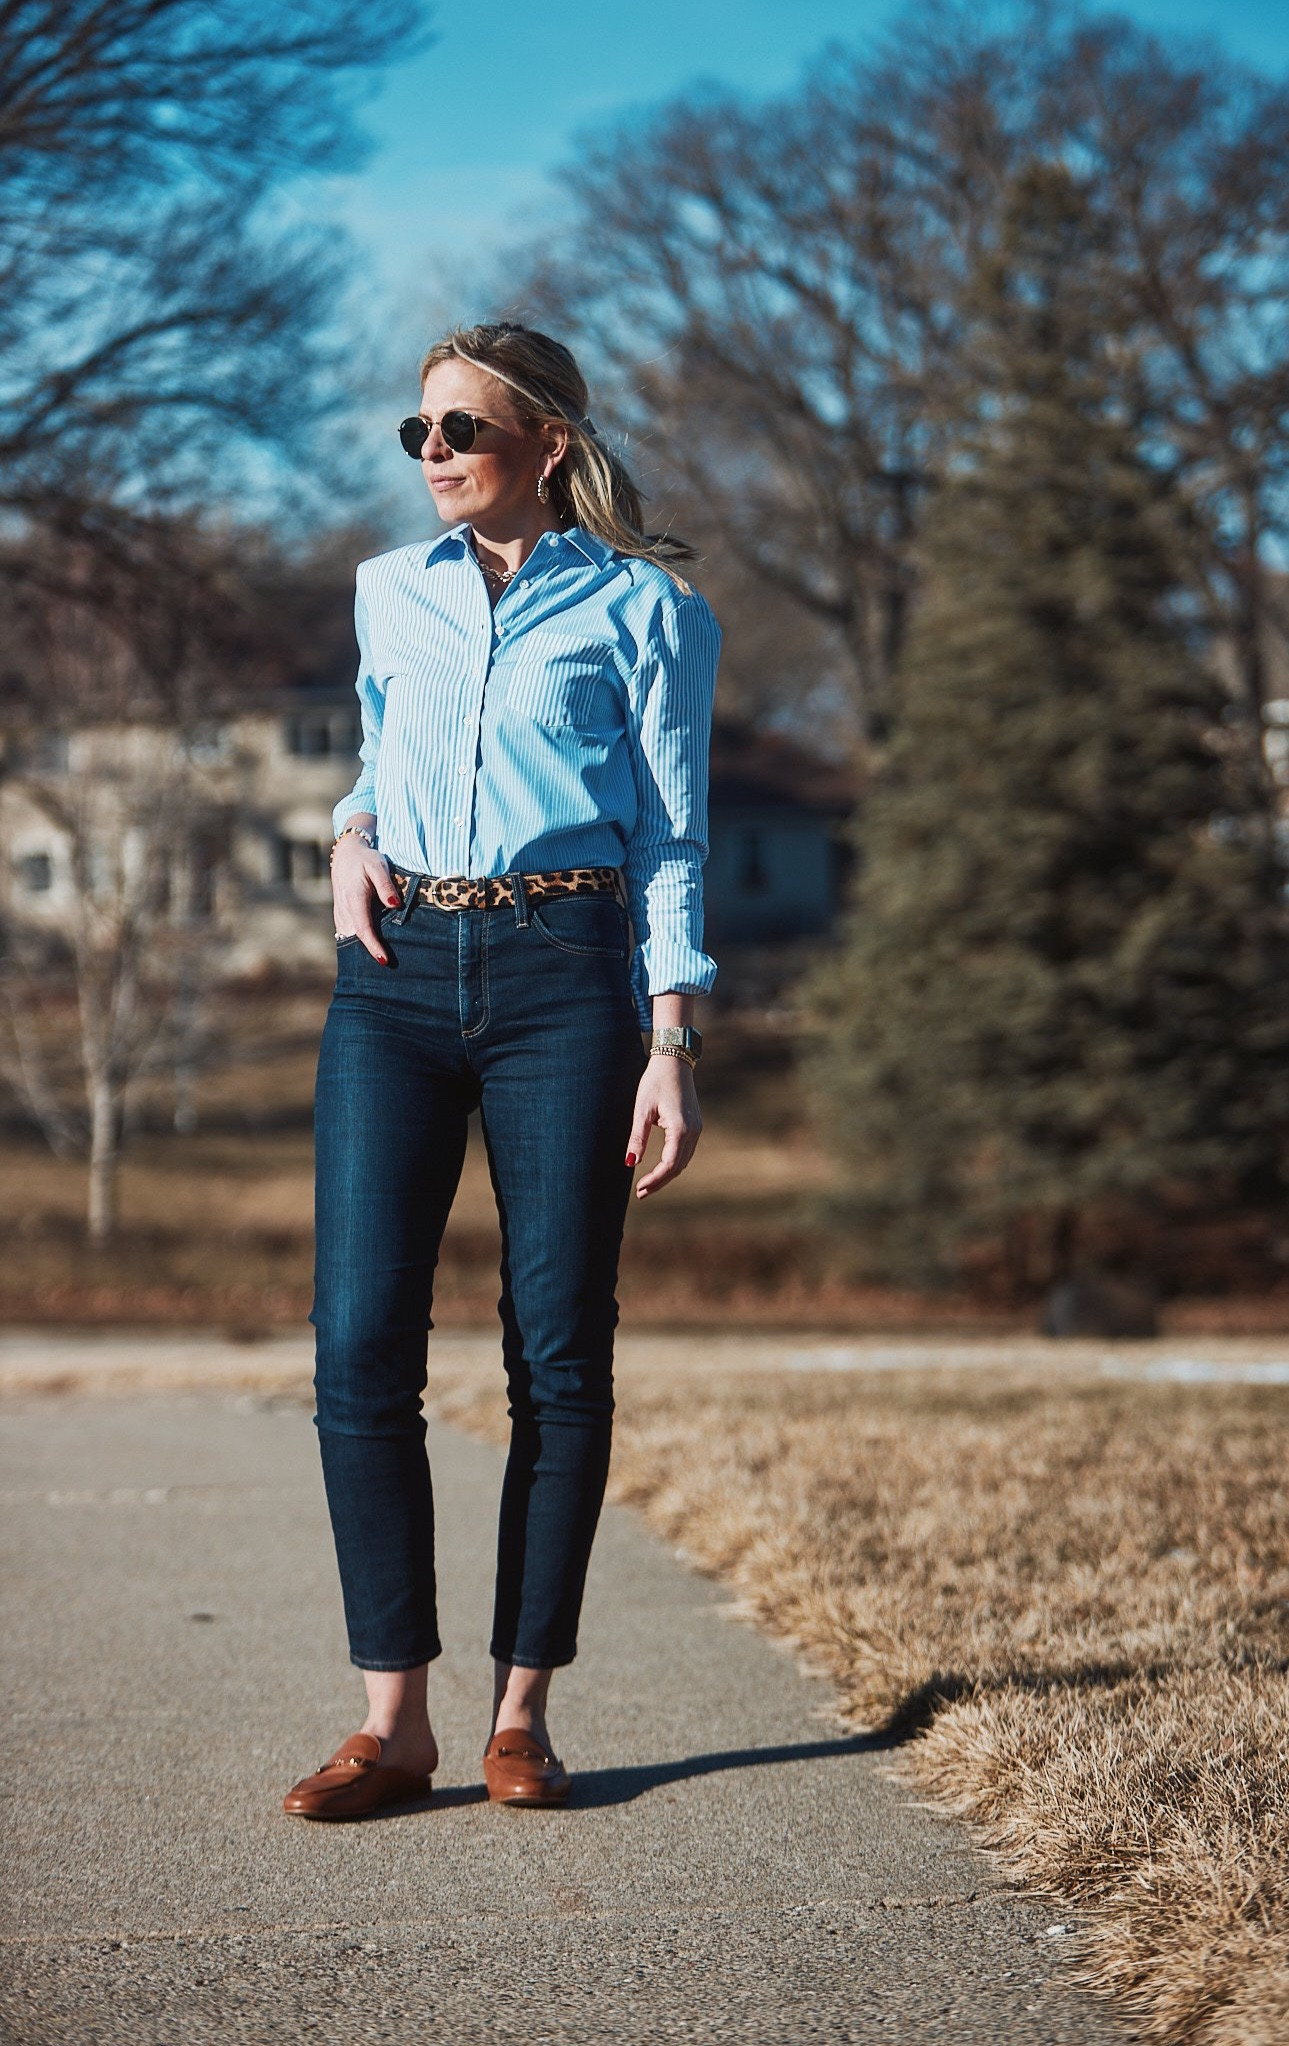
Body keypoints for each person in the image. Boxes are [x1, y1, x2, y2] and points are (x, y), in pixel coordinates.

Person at [282, 321, 720, 1820]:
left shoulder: (649, 607)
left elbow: (669, 834)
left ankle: (520, 1713)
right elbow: (389, 748)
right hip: (393, 980)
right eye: (418, 433)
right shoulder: (382, 593)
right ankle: (392, 1725)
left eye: (461, 427)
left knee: (558, 1352)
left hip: (566, 979)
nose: (435, 454)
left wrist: (671, 1037)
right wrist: (350, 832)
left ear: (546, 439)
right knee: (356, 1347)